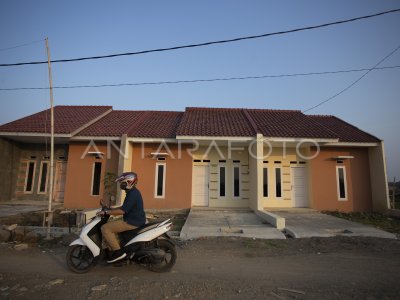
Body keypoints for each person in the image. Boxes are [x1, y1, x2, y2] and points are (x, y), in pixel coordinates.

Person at [97, 172, 146, 263]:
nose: (121, 185)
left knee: (105, 228)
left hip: (131, 222)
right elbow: (124, 208)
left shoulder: (132, 194)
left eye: (122, 182)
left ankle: (118, 252)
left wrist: (106, 212)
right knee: (111, 226)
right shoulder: (132, 192)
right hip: (133, 220)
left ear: (129, 182)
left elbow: (122, 211)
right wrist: (110, 208)